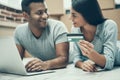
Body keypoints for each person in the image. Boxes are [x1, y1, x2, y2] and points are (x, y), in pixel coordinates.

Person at [14, 0, 69, 72]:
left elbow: (64, 59)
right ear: (26, 16)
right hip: (45, 69)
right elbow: (16, 62)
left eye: (46, 11)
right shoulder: (19, 31)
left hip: (68, 66)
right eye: (39, 13)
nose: (45, 16)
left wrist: (45, 64)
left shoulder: (58, 27)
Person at [70, 0, 120, 72]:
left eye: (74, 15)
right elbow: (76, 58)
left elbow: (109, 63)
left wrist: (90, 54)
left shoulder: (110, 25)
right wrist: (83, 65)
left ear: (87, 14)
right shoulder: (74, 29)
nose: (70, 18)